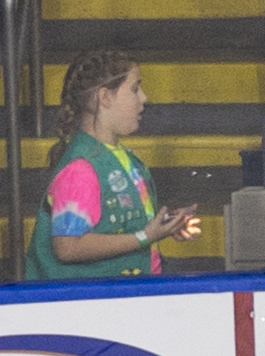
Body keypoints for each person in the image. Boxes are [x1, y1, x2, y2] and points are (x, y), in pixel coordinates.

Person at [18, 48, 202, 277]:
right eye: (134, 89)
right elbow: (67, 246)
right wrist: (145, 236)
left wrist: (164, 226)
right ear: (105, 97)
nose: (143, 98)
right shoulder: (81, 169)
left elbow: (122, 225)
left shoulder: (120, 157)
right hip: (93, 303)